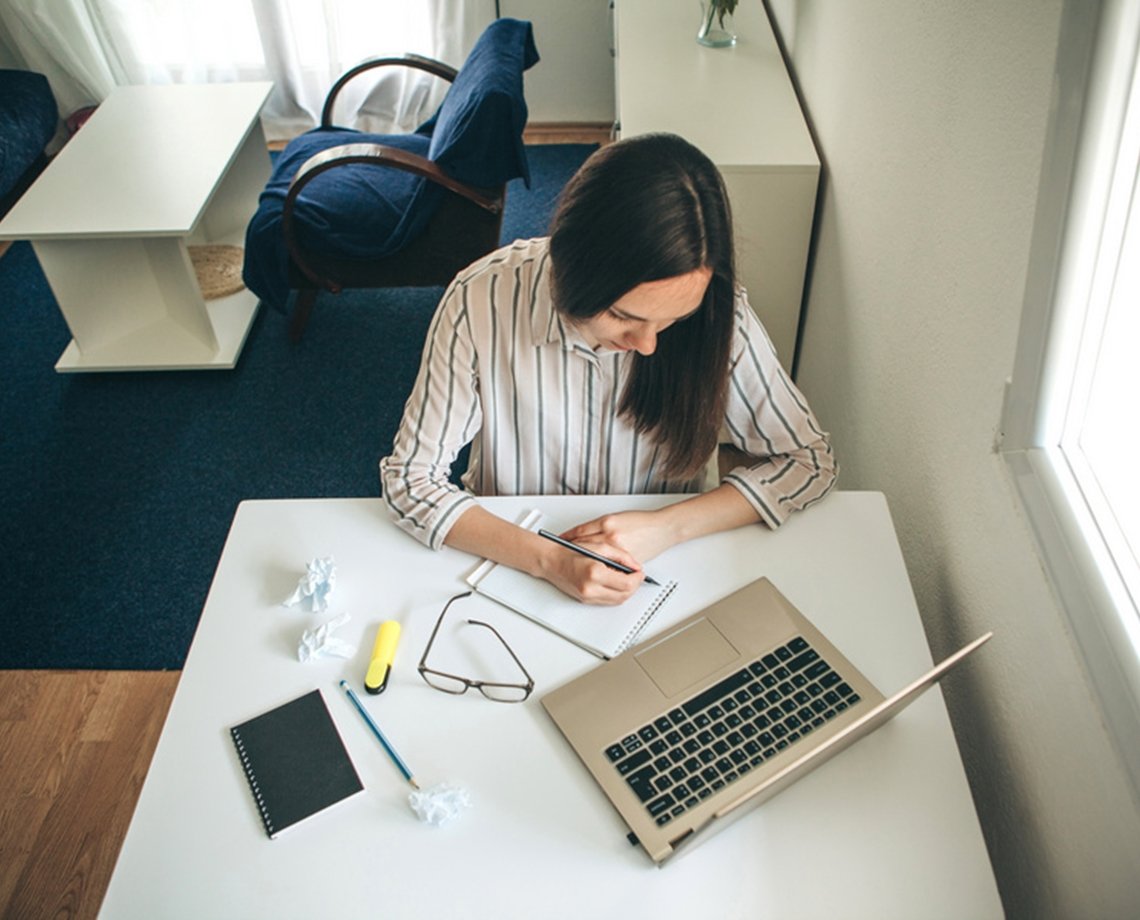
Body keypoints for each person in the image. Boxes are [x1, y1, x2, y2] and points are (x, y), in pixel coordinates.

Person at [380, 132, 836, 606]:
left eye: (673, 321)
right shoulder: (480, 299)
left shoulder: (721, 315)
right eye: (623, 316)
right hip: (509, 558)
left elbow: (808, 462)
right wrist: (549, 561)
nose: (648, 344)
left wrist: (668, 526)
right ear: (573, 269)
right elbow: (410, 481)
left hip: (658, 567)